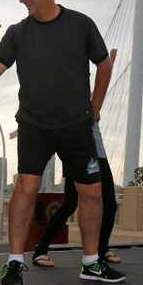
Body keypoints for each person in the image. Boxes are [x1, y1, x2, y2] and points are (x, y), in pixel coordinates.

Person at [0, 0, 125, 285]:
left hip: (76, 126)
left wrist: (95, 107)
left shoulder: (81, 24)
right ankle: (14, 263)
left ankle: (91, 263)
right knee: (26, 189)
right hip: (34, 125)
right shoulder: (18, 32)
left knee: (93, 193)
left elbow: (104, 64)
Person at [31, 49, 121, 267]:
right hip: (77, 157)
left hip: (99, 157)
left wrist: (108, 66)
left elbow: (99, 91)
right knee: (69, 205)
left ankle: (101, 249)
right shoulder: (67, 103)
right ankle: (40, 250)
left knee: (109, 204)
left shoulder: (91, 105)